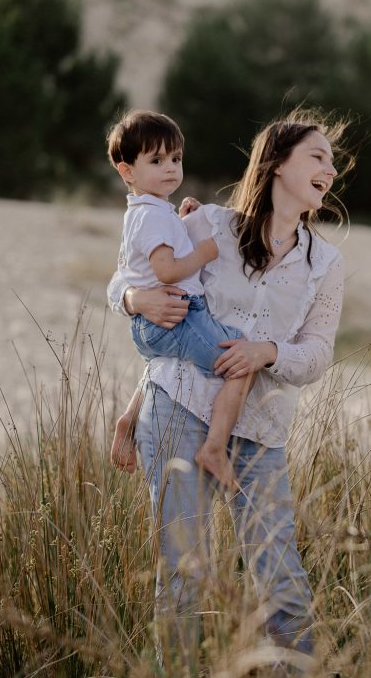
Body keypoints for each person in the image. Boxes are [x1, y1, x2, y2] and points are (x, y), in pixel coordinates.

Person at [106, 109, 347, 664]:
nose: (330, 170)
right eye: (317, 156)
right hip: (178, 410)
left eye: (333, 162)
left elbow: (318, 355)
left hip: (260, 431)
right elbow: (132, 271)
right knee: (185, 576)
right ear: (277, 163)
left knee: (281, 577)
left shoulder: (324, 263)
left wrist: (267, 352)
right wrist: (132, 300)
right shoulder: (209, 224)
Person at [107, 109, 249, 489]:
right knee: (242, 359)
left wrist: (182, 221)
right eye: (156, 160)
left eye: (176, 159)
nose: (170, 168)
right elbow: (168, 270)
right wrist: (203, 252)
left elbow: (155, 257)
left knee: (166, 366)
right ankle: (215, 448)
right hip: (177, 316)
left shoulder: (148, 211)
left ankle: (129, 419)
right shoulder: (152, 216)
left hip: (155, 321)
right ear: (127, 172)